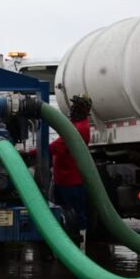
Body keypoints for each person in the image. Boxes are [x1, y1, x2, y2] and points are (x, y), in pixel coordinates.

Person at [49, 95, 92, 234]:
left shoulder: (78, 128)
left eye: (76, 106)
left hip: (70, 181)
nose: (72, 108)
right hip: (64, 178)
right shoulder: (77, 124)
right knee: (65, 212)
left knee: (75, 214)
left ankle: (80, 244)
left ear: (83, 109)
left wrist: (27, 152)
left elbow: (56, 146)